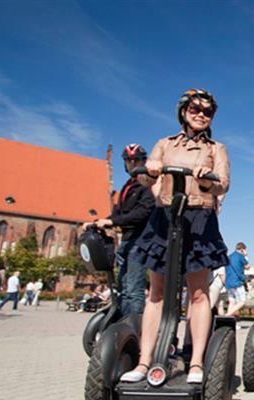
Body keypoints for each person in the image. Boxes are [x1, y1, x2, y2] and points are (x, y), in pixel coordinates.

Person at [119, 88, 231, 385]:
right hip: (165, 217)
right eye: (195, 109)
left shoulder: (216, 148)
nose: (201, 115)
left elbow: (224, 184)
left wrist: (207, 179)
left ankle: (195, 363)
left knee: (198, 293)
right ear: (183, 111)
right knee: (156, 293)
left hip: (199, 218)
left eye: (207, 112)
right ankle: (145, 361)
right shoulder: (164, 143)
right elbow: (143, 176)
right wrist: (152, 171)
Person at [87, 144, 156, 316]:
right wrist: (97, 222)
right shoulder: (127, 186)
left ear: (143, 161)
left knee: (133, 289)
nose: (132, 164)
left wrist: (111, 222)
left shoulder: (147, 184)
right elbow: (117, 212)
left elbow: (142, 213)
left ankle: (133, 327)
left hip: (140, 241)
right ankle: (121, 323)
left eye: (136, 160)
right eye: (129, 161)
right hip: (126, 239)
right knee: (122, 287)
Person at [223, 242, 250, 317]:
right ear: (242, 249)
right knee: (242, 301)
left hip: (228, 283)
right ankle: (227, 315)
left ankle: (229, 321)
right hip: (237, 282)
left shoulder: (229, 257)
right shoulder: (240, 256)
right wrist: (246, 255)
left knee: (232, 301)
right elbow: (248, 267)